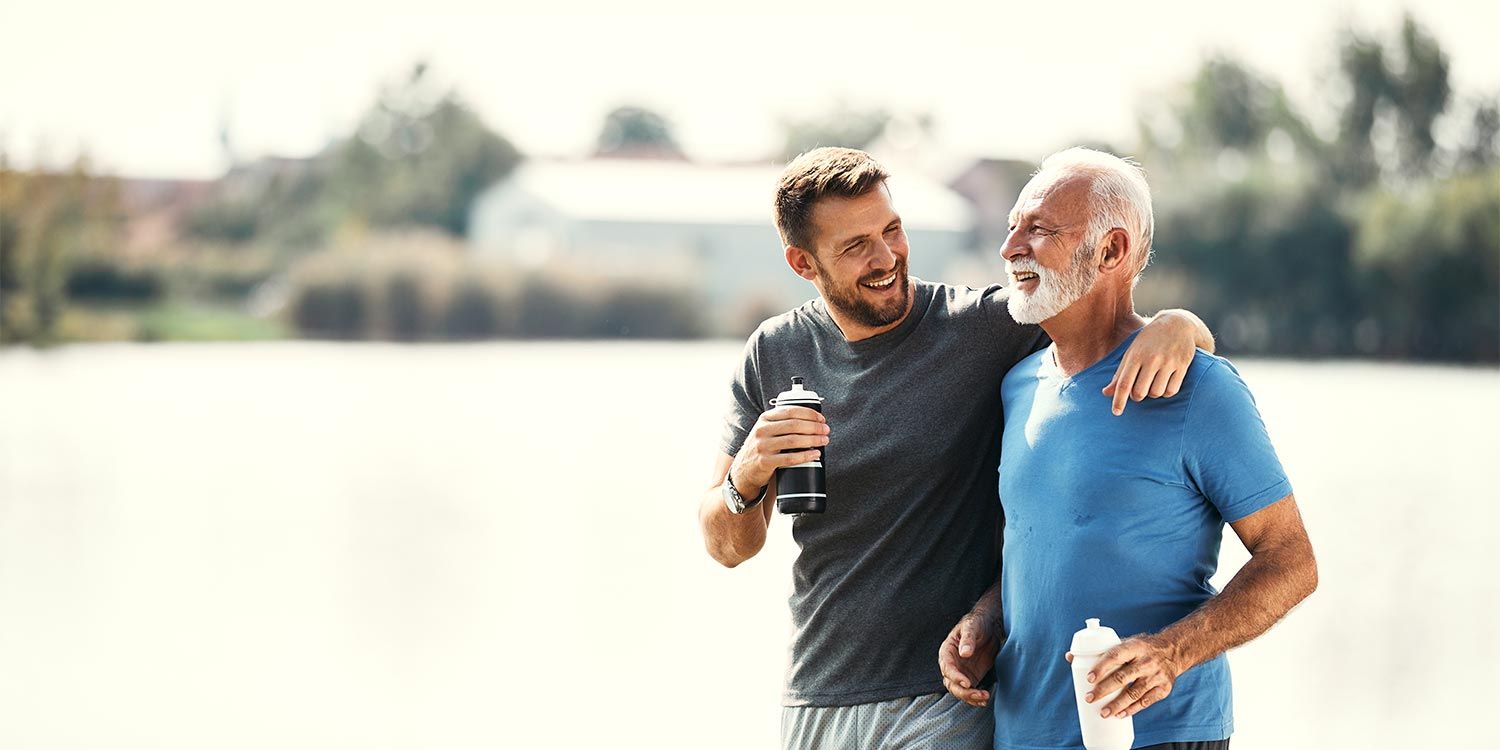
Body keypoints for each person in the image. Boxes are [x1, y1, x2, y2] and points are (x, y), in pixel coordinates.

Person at [699, 147, 1215, 750]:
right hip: (818, 694)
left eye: (891, 230)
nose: (885, 256)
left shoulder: (984, 327)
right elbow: (727, 546)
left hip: (950, 695)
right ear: (802, 262)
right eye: (855, 245)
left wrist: (1180, 323)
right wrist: (748, 474)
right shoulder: (774, 352)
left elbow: (1113, 326)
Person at [937, 147, 1318, 750]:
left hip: (1158, 734)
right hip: (1022, 732)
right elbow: (1047, 544)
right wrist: (989, 616)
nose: (1010, 248)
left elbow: (1292, 562)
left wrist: (1171, 653)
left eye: (1037, 230)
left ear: (1111, 251)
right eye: (1012, 227)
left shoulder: (1200, 388)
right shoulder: (1018, 385)